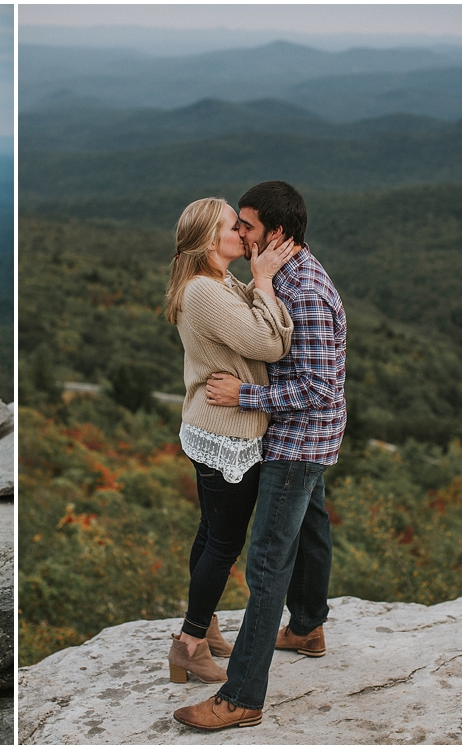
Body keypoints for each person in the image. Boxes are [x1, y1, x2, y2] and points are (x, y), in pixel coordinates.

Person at [174, 181, 347, 731]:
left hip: (298, 439)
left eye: (245, 225)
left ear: (276, 232)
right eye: (236, 225)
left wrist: (246, 396)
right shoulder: (279, 277)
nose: (241, 233)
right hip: (296, 434)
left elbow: (320, 387)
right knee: (313, 529)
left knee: (268, 561)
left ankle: (243, 695)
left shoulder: (306, 289)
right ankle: (308, 627)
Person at [163, 197, 294, 685]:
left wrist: (255, 282)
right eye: (230, 226)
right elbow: (271, 344)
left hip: (212, 425)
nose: (242, 233)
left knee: (210, 531)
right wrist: (264, 281)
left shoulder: (217, 282)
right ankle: (190, 645)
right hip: (228, 432)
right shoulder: (205, 291)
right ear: (207, 240)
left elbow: (262, 336)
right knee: (224, 541)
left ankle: (207, 623)